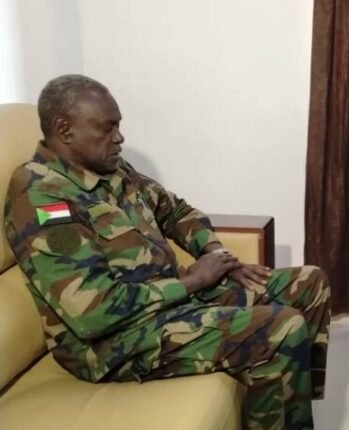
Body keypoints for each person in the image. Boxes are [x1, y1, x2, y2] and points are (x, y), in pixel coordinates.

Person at [3, 74, 331, 430]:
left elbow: (175, 212)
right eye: (108, 128)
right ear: (64, 129)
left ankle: (294, 411)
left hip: (171, 300)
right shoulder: (42, 197)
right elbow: (92, 312)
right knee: (281, 327)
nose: (120, 137)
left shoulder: (112, 169)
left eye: (119, 125)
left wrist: (218, 256)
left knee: (310, 285)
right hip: (112, 343)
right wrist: (192, 283)